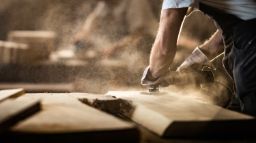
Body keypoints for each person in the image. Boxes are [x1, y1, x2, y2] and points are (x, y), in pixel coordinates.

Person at [141, 0, 256, 116]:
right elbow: (221, 40)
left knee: (251, 115)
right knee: (239, 115)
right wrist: (187, 66)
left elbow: (164, 50)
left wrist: (152, 76)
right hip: (248, 36)